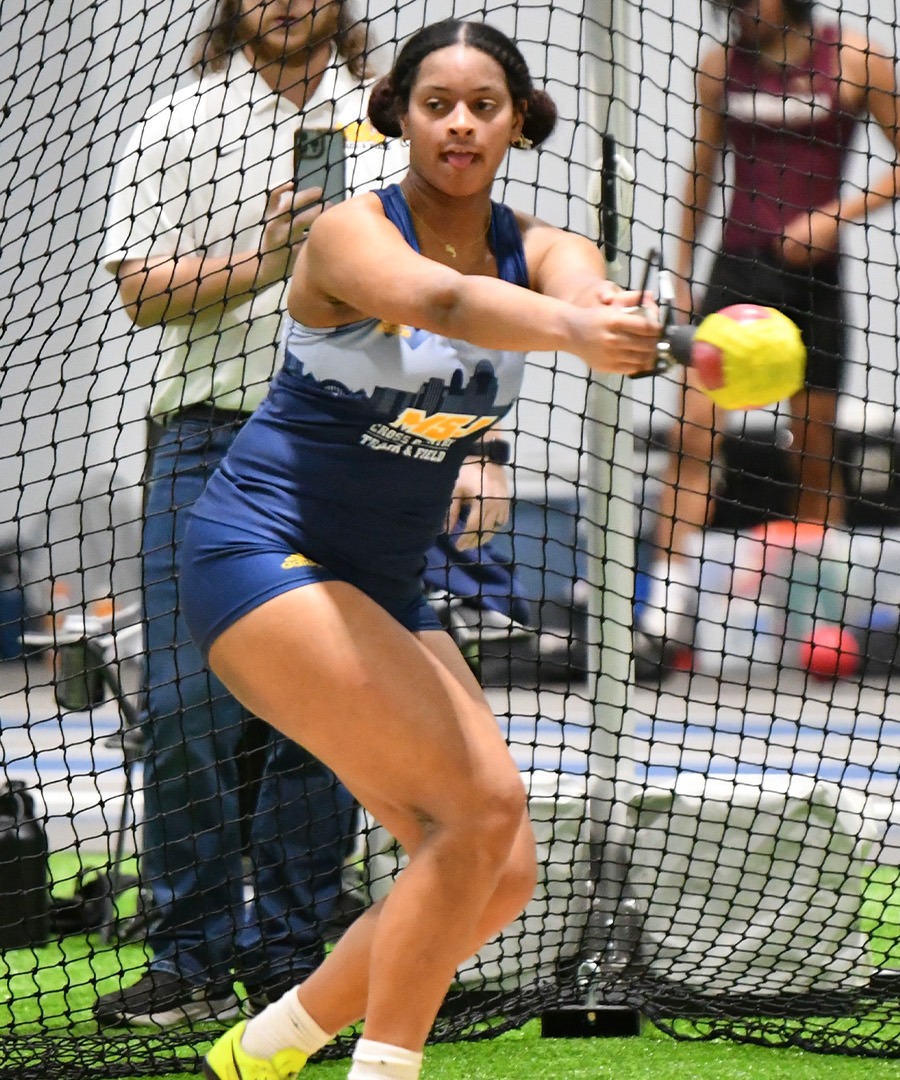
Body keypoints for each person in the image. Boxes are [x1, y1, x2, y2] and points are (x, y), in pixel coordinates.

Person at [179, 18, 660, 1080]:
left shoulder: (543, 247)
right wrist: (576, 334)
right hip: (263, 555)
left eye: (483, 106)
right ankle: (386, 1070)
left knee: (501, 866)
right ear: (395, 113)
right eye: (436, 102)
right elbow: (441, 303)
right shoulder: (350, 234)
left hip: (386, 584)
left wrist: (618, 320)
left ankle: (266, 1048)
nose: (459, 123)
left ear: (517, 124)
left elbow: (579, 294)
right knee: (479, 808)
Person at [94, 0, 402, 1028]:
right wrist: (271, 263)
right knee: (187, 704)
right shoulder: (177, 122)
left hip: (347, 446)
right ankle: (187, 956)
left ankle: (291, 960)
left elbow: (443, 298)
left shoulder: (393, 127)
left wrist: (475, 446)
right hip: (206, 439)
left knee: (319, 716)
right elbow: (140, 293)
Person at [649, 0, 900, 643]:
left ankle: (810, 619)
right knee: (692, 435)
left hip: (814, 281)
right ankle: (664, 617)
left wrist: (837, 216)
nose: (740, 9)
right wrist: (682, 276)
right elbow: (702, 172)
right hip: (736, 273)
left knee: (814, 453)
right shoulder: (721, 65)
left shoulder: (856, 57)